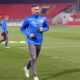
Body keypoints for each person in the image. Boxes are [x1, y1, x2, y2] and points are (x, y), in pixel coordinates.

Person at [20, 4, 49, 80]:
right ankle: (35, 76)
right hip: (31, 41)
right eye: (35, 9)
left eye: (38, 9)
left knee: (34, 58)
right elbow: (22, 28)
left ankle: (26, 68)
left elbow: (47, 27)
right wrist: (28, 34)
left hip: (39, 41)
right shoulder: (28, 19)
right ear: (32, 10)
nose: (37, 11)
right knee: (33, 58)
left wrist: (44, 29)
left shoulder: (43, 18)